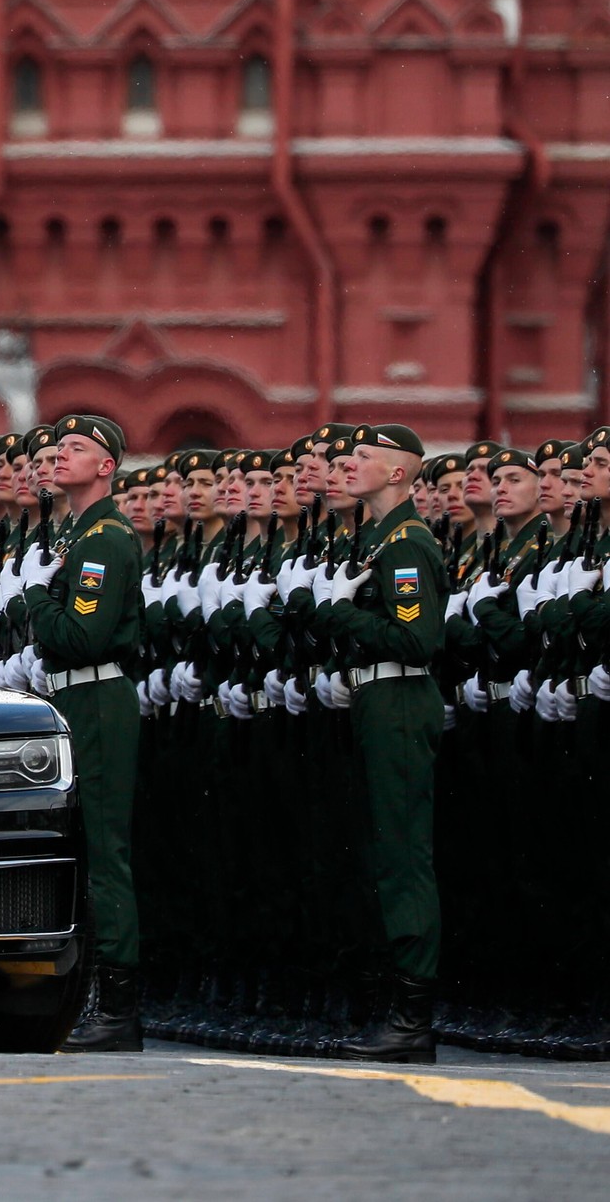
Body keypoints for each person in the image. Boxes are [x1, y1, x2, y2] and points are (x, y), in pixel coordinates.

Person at [0, 414, 145, 1052]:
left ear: (106, 467)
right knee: (79, 850)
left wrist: (35, 600)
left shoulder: (105, 539)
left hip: (97, 700)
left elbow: (82, 636)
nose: (57, 457)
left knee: (103, 851)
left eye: (75, 449)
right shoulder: (75, 534)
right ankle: (88, 998)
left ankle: (118, 1009)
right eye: (56, 448)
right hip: (70, 696)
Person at [308, 423, 444, 1062]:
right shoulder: (378, 538)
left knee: (401, 853)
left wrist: (340, 612)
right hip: (374, 697)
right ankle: (391, 1004)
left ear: (396, 472)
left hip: (399, 701)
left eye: (364, 456)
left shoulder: (406, 543)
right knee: (378, 851)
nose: (348, 463)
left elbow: (418, 641)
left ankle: (412, 1016)